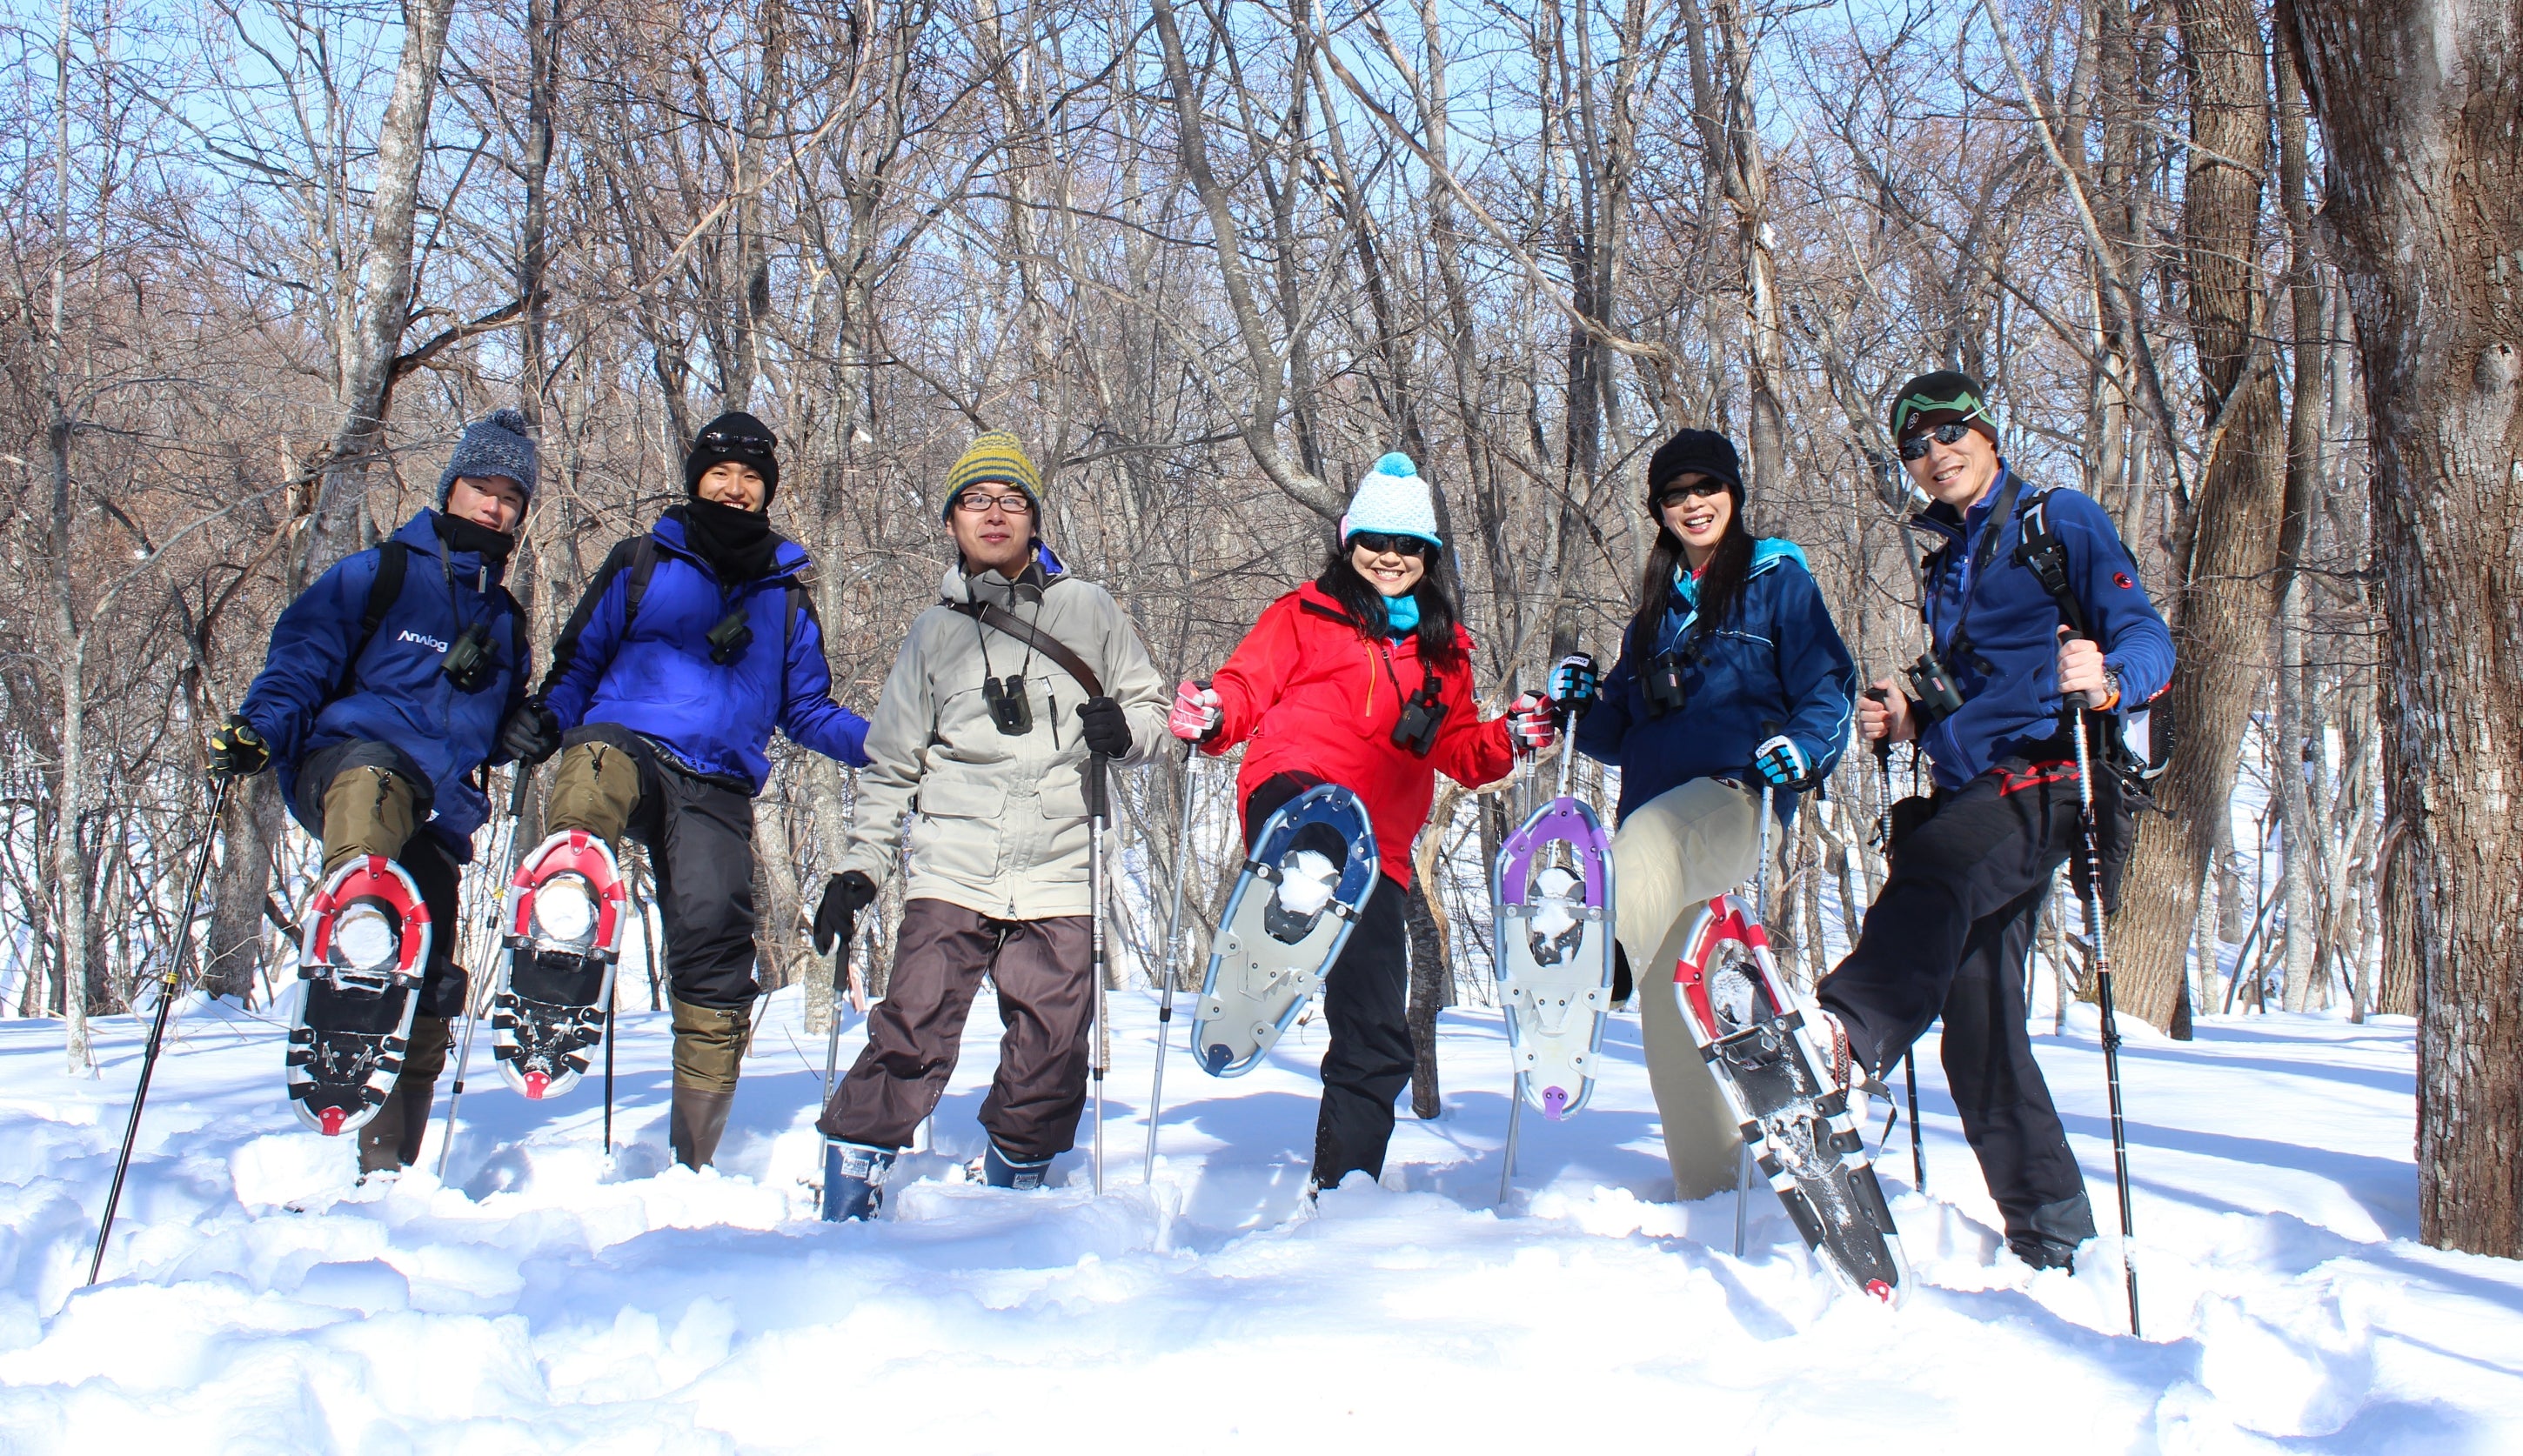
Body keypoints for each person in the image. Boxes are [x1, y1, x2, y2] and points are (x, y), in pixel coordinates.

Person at [1815, 370, 2172, 1272]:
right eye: (1914, 447)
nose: (1934, 455)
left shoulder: (2059, 521)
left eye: (1947, 433)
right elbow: (1973, 678)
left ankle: (1847, 1034)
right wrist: (1910, 712)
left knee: (1934, 861)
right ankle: (2054, 1238)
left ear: (1986, 432)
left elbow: (2145, 636)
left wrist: (2111, 679)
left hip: (2051, 771)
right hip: (1973, 784)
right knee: (1978, 1032)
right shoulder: (1947, 558)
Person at [1172, 453, 1556, 1195]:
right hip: (1294, 795)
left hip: (1379, 854)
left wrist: (1510, 737)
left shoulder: (1447, 653)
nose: (1389, 557)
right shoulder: (1303, 614)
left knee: (1379, 1032)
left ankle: (1344, 1190)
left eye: (1407, 545)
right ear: (1350, 543)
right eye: (1375, 541)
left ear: (1428, 555)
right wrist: (1213, 715)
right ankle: (1289, 905)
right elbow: (1245, 686)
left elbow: (1458, 749)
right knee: (1319, 834)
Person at [811, 431, 1168, 1219]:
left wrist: (1125, 732)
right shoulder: (933, 634)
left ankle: (1015, 1180)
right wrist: (861, 868)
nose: (995, 513)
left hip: (1063, 865)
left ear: (1035, 520)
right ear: (952, 522)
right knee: (912, 1025)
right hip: (955, 863)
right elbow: (891, 762)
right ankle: (853, 1175)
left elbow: (1154, 711)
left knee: (1054, 1046)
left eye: (1012, 500)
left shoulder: (1089, 609)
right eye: (976, 500)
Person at [513, 411, 871, 1170]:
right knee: (596, 761)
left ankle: (694, 1153)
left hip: (717, 785)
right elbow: (578, 663)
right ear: (696, 480)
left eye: (750, 477)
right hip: (630, 748)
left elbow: (809, 711)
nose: (735, 488)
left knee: (715, 948)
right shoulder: (641, 562)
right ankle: (564, 916)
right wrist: (544, 720)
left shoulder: (786, 598)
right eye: (720, 473)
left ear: (766, 490)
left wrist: (889, 746)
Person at [211, 409, 545, 1178]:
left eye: (510, 498)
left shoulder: (505, 621)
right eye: (482, 488)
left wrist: (521, 731)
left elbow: (485, 729)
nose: (493, 507)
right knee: (378, 792)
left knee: (429, 983)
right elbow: (301, 660)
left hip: (438, 813)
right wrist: (259, 728)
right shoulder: (378, 575)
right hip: (351, 766)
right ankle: (357, 924)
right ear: (450, 489)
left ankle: (387, 1169)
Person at [1562, 427, 1858, 1199]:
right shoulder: (1654, 615)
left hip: (1735, 800)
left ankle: (1585, 972)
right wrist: (1578, 703)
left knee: (1651, 839)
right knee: (1672, 1010)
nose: (1692, 504)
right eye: (1674, 495)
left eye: (1706, 488)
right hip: (1656, 820)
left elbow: (1828, 685)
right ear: (1659, 510)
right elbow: (1615, 732)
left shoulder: (1777, 582)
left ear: (1733, 493)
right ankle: (1714, 1186)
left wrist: (1805, 748)